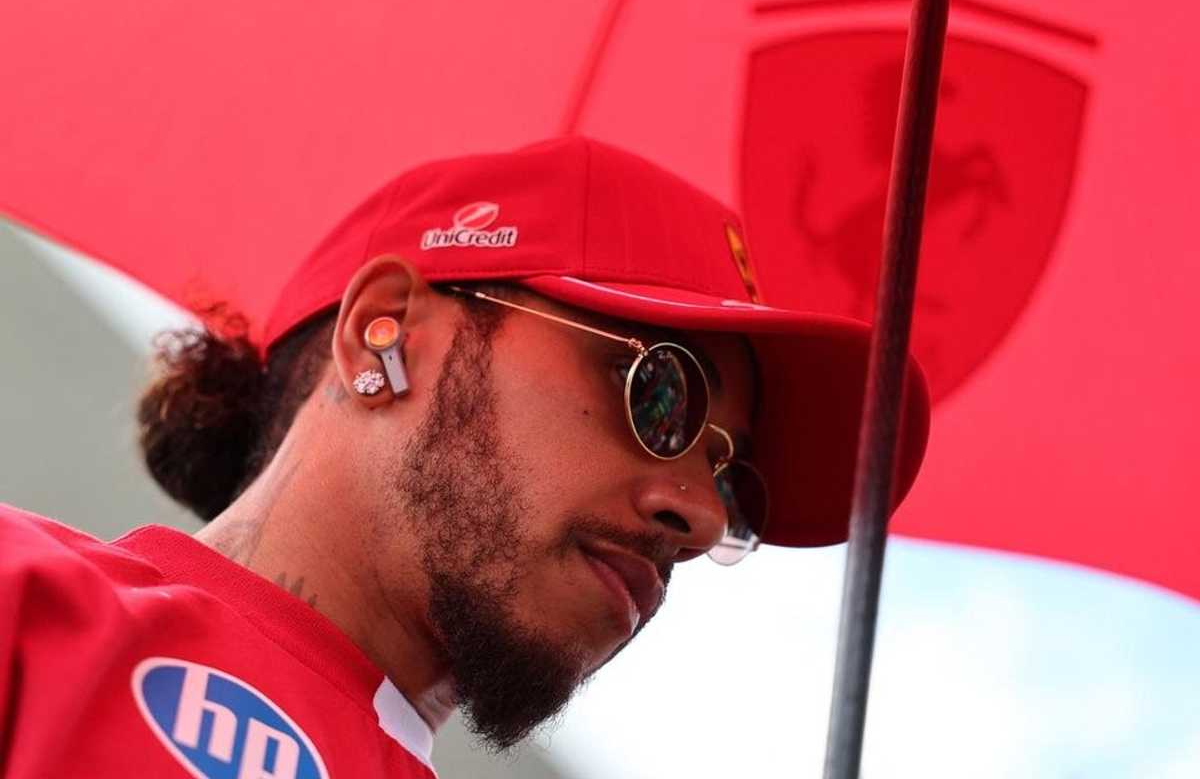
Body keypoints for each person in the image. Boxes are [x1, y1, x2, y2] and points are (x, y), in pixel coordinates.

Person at [0, 137, 929, 778]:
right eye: (660, 392)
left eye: (735, 479)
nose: (703, 516)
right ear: (382, 333)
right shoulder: (26, 602)